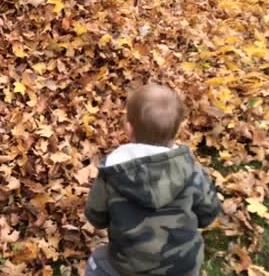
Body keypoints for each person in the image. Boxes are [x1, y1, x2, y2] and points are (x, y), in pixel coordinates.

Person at [84, 84, 221, 276]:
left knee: (97, 262)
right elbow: (208, 215)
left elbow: (96, 218)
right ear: (178, 130)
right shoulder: (191, 170)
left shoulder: (113, 172)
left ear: (129, 128)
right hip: (183, 267)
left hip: (127, 267)